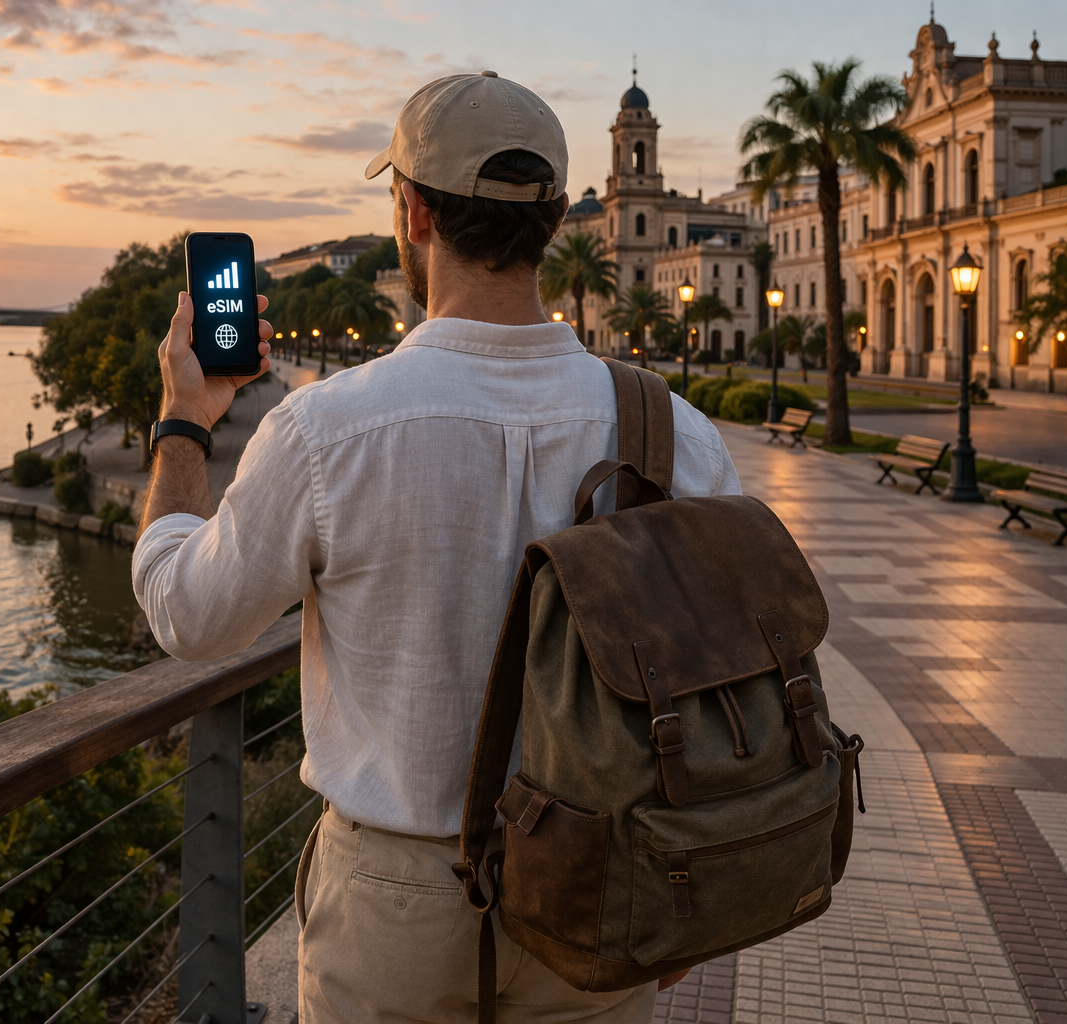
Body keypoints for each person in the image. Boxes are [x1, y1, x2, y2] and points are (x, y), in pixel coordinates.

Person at [133, 72, 741, 1024]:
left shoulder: (325, 431)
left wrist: (181, 422)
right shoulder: (677, 432)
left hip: (395, 904)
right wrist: (682, 891)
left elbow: (187, 617)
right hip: (604, 885)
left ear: (412, 211)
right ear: (551, 218)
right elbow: (723, 676)